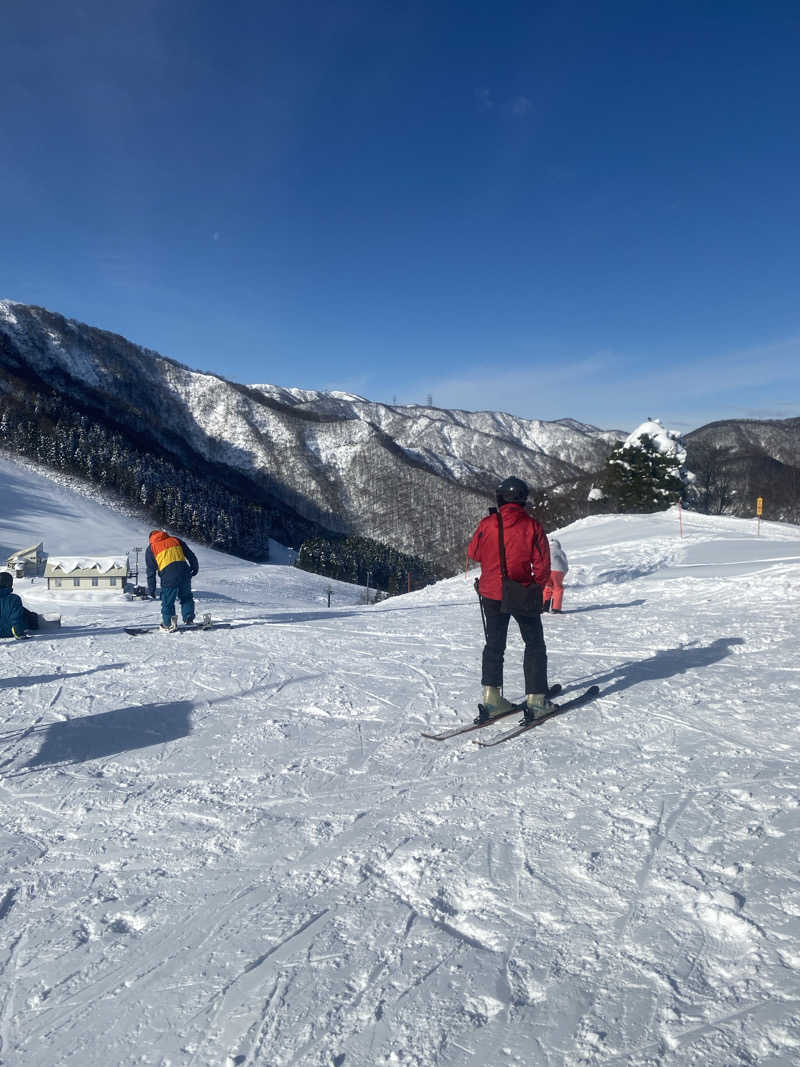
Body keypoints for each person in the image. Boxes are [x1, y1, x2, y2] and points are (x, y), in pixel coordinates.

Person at [468, 476, 553, 723]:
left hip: (491, 593)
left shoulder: (488, 524)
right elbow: (543, 566)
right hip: (521, 592)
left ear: (500, 498)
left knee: (494, 646)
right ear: (523, 499)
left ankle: (492, 699)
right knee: (534, 644)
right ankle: (536, 700)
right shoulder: (532, 526)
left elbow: (473, 553)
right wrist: (534, 586)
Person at [145, 530, 199, 631]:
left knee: (167, 601)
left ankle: (168, 623)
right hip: (184, 573)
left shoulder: (151, 548)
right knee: (186, 597)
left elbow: (150, 572)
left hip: (169, 576)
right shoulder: (175, 540)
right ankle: (189, 619)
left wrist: (151, 590)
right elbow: (190, 555)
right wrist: (195, 567)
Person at [0, 571, 30, 639]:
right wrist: (19, 634)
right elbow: (16, 619)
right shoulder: (14, 599)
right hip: (8, 632)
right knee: (25, 614)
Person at [543, 538, 569, 613]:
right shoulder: (560, 552)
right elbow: (564, 562)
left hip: (546, 570)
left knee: (547, 587)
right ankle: (556, 608)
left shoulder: (545, 550)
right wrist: (565, 571)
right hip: (558, 570)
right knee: (558, 588)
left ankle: (544, 606)